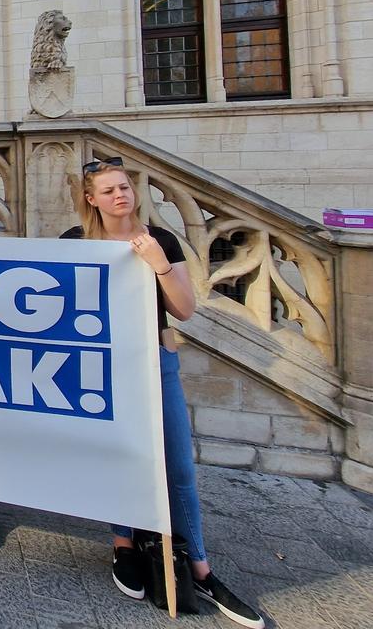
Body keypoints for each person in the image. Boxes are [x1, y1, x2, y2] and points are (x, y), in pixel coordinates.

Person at [63, 157, 264, 628]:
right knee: (118, 457)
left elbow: (185, 309)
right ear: (91, 199)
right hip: (104, 368)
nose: (121, 195)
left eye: (125, 187)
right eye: (109, 190)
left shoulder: (161, 239)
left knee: (178, 467)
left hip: (156, 362)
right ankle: (124, 546)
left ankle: (200, 566)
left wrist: (158, 265)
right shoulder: (75, 243)